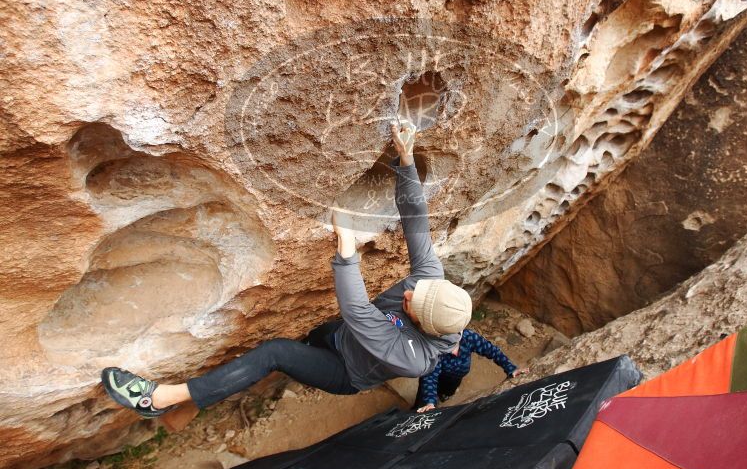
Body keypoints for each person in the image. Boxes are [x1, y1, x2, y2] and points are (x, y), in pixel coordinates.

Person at [101, 122, 473, 418]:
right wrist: (406, 162)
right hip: (340, 334)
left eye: (412, 302)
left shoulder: (414, 358)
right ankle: (198, 401)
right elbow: (416, 223)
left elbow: (359, 311)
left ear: (424, 326)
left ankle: (162, 399)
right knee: (306, 336)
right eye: (419, 288)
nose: (409, 292)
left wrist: (346, 250)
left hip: (344, 369)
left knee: (275, 353)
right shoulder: (430, 281)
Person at [414, 329, 528, 413]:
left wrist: (511, 368)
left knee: (448, 391)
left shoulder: (468, 337)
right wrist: (429, 402)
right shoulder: (434, 352)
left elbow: (492, 351)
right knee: (422, 399)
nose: (454, 352)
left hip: (455, 377)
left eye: (454, 344)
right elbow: (430, 378)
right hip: (437, 375)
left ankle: (444, 395)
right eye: (447, 346)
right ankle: (417, 408)